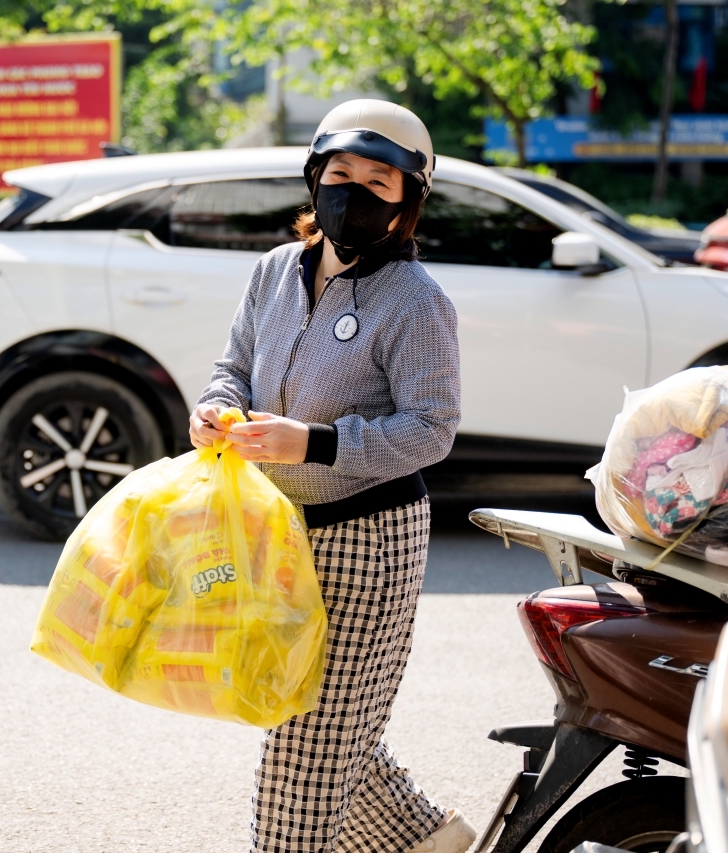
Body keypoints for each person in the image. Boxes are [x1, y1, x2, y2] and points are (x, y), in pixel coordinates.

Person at [190, 100, 474, 853]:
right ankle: (429, 841)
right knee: (318, 723)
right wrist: (215, 409)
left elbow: (432, 428)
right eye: (340, 174)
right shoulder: (274, 272)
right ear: (314, 179)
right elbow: (234, 366)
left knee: (306, 753)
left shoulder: (417, 302)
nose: (353, 193)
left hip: (369, 541)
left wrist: (313, 443)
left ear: (408, 200)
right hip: (282, 532)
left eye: (378, 182)